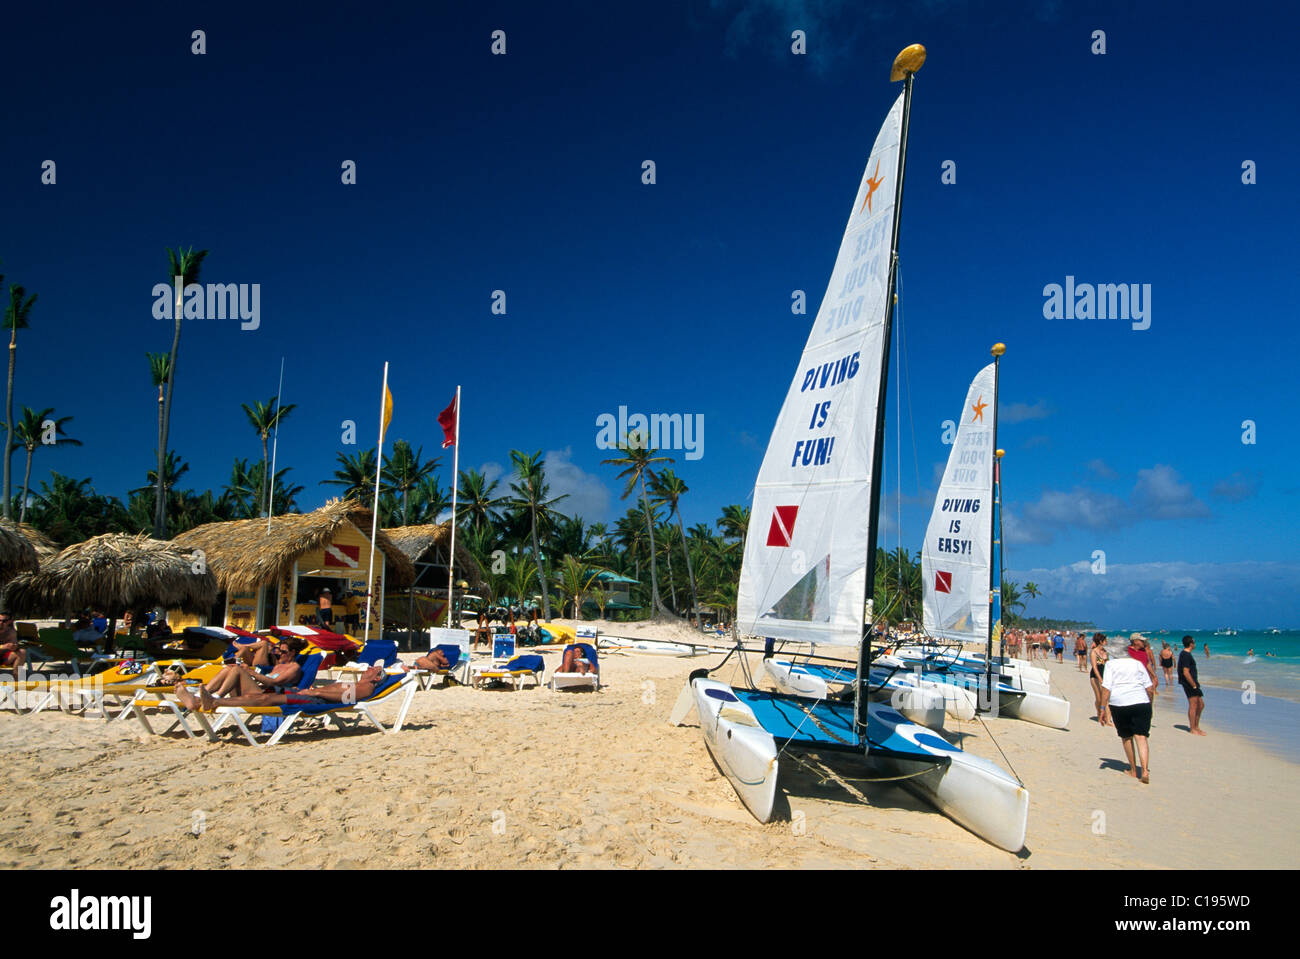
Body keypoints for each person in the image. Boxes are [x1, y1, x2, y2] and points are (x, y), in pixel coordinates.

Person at [175, 663, 388, 712]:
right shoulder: (359, 682)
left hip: (315, 700)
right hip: (309, 694)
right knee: (240, 673)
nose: (368, 668)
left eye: (373, 669)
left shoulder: (365, 688)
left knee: (266, 700)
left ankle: (212, 701)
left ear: (376, 678)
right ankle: (200, 699)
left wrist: (315, 691)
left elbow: (345, 697)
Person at [1100, 643, 1155, 783]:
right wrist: (1150, 703)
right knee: (1141, 737)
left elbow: (1106, 688)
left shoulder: (1111, 665)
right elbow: (1149, 687)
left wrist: (1102, 709)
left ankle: (1133, 770)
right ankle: (1144, 770)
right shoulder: (1137, 664)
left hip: (1119, 704)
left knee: (1126, 737)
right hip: (1141, 702)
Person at [202, 638, 306, 698]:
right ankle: (203, 693)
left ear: (292, 652)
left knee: (237, 670)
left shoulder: (294, 668)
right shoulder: (279, 665)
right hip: (258, 690)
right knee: (230, 668)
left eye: (283, 652)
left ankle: (217, 697)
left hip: (266, 696)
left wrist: (250, 671)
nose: (280, 654)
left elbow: (272, 683)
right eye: (279, 651)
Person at [1179, 636, 1207, 736]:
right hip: (1189, 683)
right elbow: (1185, 672)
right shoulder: (1185, 654)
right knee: (1193, 704)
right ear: (1191, 644)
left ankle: (1196, 726)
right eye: (1194, 642)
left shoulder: (1186, 654)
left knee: (1201, 704)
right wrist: (1194, 685)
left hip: (1193, 682)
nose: (1195, 644)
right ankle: (1193, 728)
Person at [1088, 633, 1110, 725]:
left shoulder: (1105, 651)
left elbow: (1108, 665)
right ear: (1101, 641)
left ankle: (1108, 720)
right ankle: (1099, 713)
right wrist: (1100, 679)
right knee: (1099, 697)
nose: (1107, 642)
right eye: (1105, 640)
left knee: (1106, 698)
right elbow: (1094, 667)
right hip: (1095, 676)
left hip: (1105, 675)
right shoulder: (1094, 652)